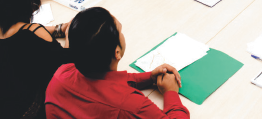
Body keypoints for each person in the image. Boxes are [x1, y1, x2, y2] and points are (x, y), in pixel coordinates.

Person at [45, 7, 190, 119]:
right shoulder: (130, 106)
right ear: (117, 53)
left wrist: (149, 78)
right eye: (121, 31)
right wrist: (171, 92)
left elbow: (108, 83)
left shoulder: (61, 74)